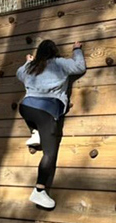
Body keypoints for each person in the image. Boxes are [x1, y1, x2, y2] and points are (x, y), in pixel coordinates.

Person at [16, 40, 86, 209]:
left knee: (40, 127)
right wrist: (77, 50)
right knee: (50, 154)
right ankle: (39, 190)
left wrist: (28, 61)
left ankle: (35, 133)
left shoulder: (31, 66)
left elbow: (19, 73)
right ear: (55, 51)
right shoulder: (60, 63)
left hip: (26, 108)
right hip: (46, 112)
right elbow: (80, 67)